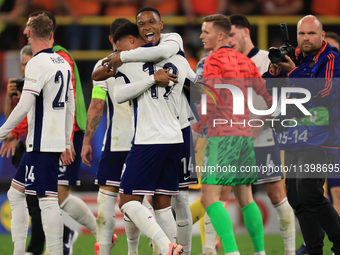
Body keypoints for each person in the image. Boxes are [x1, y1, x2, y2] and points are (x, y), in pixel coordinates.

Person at [101, 7, 199, 255]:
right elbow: (197, 84)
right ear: (137, 30)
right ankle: (177, 251)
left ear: (161, 24)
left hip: (148, 140)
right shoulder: (179, 58)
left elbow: (117, 93)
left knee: (128, 201)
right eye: (141, 23)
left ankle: (167, 247)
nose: (147, 27)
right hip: (175, 137)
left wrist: (123, 59)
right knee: (165, 205)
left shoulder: (134, 60)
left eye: (151, 22)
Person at [191, 14, 272, 255]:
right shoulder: (245, 61)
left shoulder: (212, 61)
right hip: (244, 135)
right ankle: (259, 252)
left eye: (206, 32)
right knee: (246, 197)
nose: (201, 36)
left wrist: (197, 131)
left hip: (221, 134)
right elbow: (267, 99)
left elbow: (210, 98)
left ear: (221, 35)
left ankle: (231, 251)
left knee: (209, 199)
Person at [0, 13, 74, 254]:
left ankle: (53, 250)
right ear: (51, 34)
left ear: (28, 34)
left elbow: (24, 104)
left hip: (42, 142)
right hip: (44, 142)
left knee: (47, 199)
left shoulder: (36, 62)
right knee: (15, 192)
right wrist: (66, 141)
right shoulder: (62, 62)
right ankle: (19, 251)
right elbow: (70, 106)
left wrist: (2, 132)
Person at [267, 15, 340, 255]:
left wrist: (294, 72)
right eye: (302, 34)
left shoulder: (331, 58)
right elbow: (270, 90)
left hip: (322, 138)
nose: (305, 38)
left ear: (321, 36)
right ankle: (314, 251)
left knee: (309, 191)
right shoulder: (294, 56)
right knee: (297, 197)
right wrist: (275, 70)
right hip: (295, 137)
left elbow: (326, 94)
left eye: (311, 34)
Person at [227, 14, 296, 255]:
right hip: (235, 140)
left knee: (276, 194)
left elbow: (282, 98)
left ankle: (289, 251)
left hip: (263, 137)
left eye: (232, 34)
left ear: (246, 32)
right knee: (231, 196)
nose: (228, 40)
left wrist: (258, 123)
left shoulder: (268, 58)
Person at [81, 17, 132, 255]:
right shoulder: (148, 61)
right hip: (147, 142)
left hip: (117, 142)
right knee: (137, 201)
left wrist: (85, 141)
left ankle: (104, 251)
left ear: (111, 39)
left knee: (107, 200)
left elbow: (97, 106)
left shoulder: (104, 66)